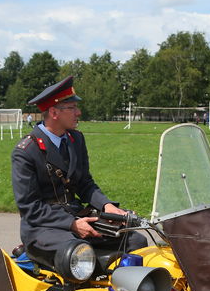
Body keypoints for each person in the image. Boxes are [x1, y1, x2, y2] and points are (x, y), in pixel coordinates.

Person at [11, 76, 147, 269]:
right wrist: (72, 224)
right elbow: (30, 208)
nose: (78, 112)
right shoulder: (27, 151)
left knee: (135, 242)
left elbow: (84, 183)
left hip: (78, 218)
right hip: (43, 229)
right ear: (54, 112)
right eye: (72, 108)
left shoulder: (76, 139)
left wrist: (107, 206)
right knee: (79, 252)